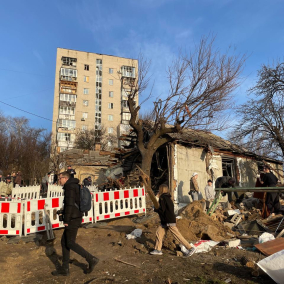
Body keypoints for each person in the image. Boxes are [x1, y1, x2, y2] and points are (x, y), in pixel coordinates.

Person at [52, 171, 98, 276]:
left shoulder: (70, 187)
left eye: (60, 178)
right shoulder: (74, 186)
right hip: (75, 216)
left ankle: (91, 259)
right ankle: (65, 268)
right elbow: (72, 203)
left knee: (70, 243)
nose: (59, 180)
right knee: (64, 242)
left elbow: (70, 205)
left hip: (73, 218)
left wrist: (66, 220)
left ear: (65, 178)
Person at [150, 184, 196, 257]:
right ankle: (158, 249)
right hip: (167, 220)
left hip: (168, 220)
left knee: (177, 235)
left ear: (161, 190)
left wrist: (155, 209)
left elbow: (162, 210)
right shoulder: (168, 197)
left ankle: (190, 248)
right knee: (159, 232)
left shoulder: (162, 198)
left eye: (159, 189)